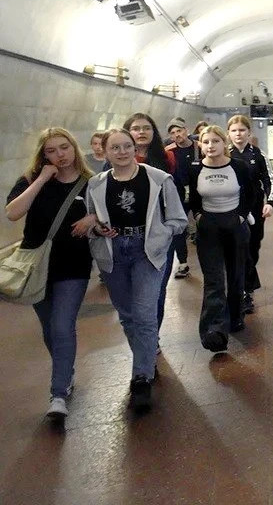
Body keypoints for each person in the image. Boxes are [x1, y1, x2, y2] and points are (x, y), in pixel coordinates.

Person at [86, 128, 186, 413]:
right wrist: (98, 229)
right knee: (127, 315)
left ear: (135, 148)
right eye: (115, 148)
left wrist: (161, 234)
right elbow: (92, 220)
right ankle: (146, 360)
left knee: (144, 313)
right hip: (113, 253)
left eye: (127, 146)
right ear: (105, 152)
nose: (122, 152)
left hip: (147, 252)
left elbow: (178, 219)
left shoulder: (158, 179)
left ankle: (141, 377)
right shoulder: (96, 184)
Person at [4, 129, 96, 423]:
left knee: (62, 325)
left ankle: (58, 394)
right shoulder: (30, 179)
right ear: (43, 155)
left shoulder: (91, 182)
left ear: (74, 148)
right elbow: (12, 213)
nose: (60, 155)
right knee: (49, 329)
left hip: (74, 266)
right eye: (51, 151)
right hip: (36, 267)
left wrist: (94, 217)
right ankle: (65, 373)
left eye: (64, 147)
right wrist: (42, 179)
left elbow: (108, 213)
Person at [189, 125, 254, 351]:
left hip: (235, 225)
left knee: (236, 277)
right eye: (206, 142)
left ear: (223, 143)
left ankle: (235, 317)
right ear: (200, 145)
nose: (210, 146)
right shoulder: (195, 169)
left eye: (215, 141)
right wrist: (198, 216)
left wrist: (241, 216)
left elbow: (251, 193)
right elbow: (193, 197)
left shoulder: (238, 167)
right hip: (209, 228)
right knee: (214, 279)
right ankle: (214, 330)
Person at [123, 113, 178, 337]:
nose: (141, 132)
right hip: (128, 233)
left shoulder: (166, 158)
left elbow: (173, 192)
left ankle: (152, 336)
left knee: (158, 288)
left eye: (146, 128)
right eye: (136, 128)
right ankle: (141, 334)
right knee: (133, 292)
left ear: (154, 132)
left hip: (159, 232)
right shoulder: (117, 159)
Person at [227, 115, 273, 314]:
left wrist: (270, 202)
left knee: (252, 248)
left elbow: (270, 180)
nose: (238, 134)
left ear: (249, 132)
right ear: (228, 133)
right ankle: (245, 291)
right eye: (234, 131)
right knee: (238, 249)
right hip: (231, 209)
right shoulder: (224, 154)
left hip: (255, 210)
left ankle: (246, 285)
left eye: (242, 130)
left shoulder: (259, 155)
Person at [165, 117, 196, 279]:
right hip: (178, 194)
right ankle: (182, 262)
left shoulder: (199, 147)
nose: (177, 135)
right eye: (173, 133)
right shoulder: (169, 151)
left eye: (179, 130)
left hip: (199, 193)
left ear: (186, 130)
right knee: (178, 229)